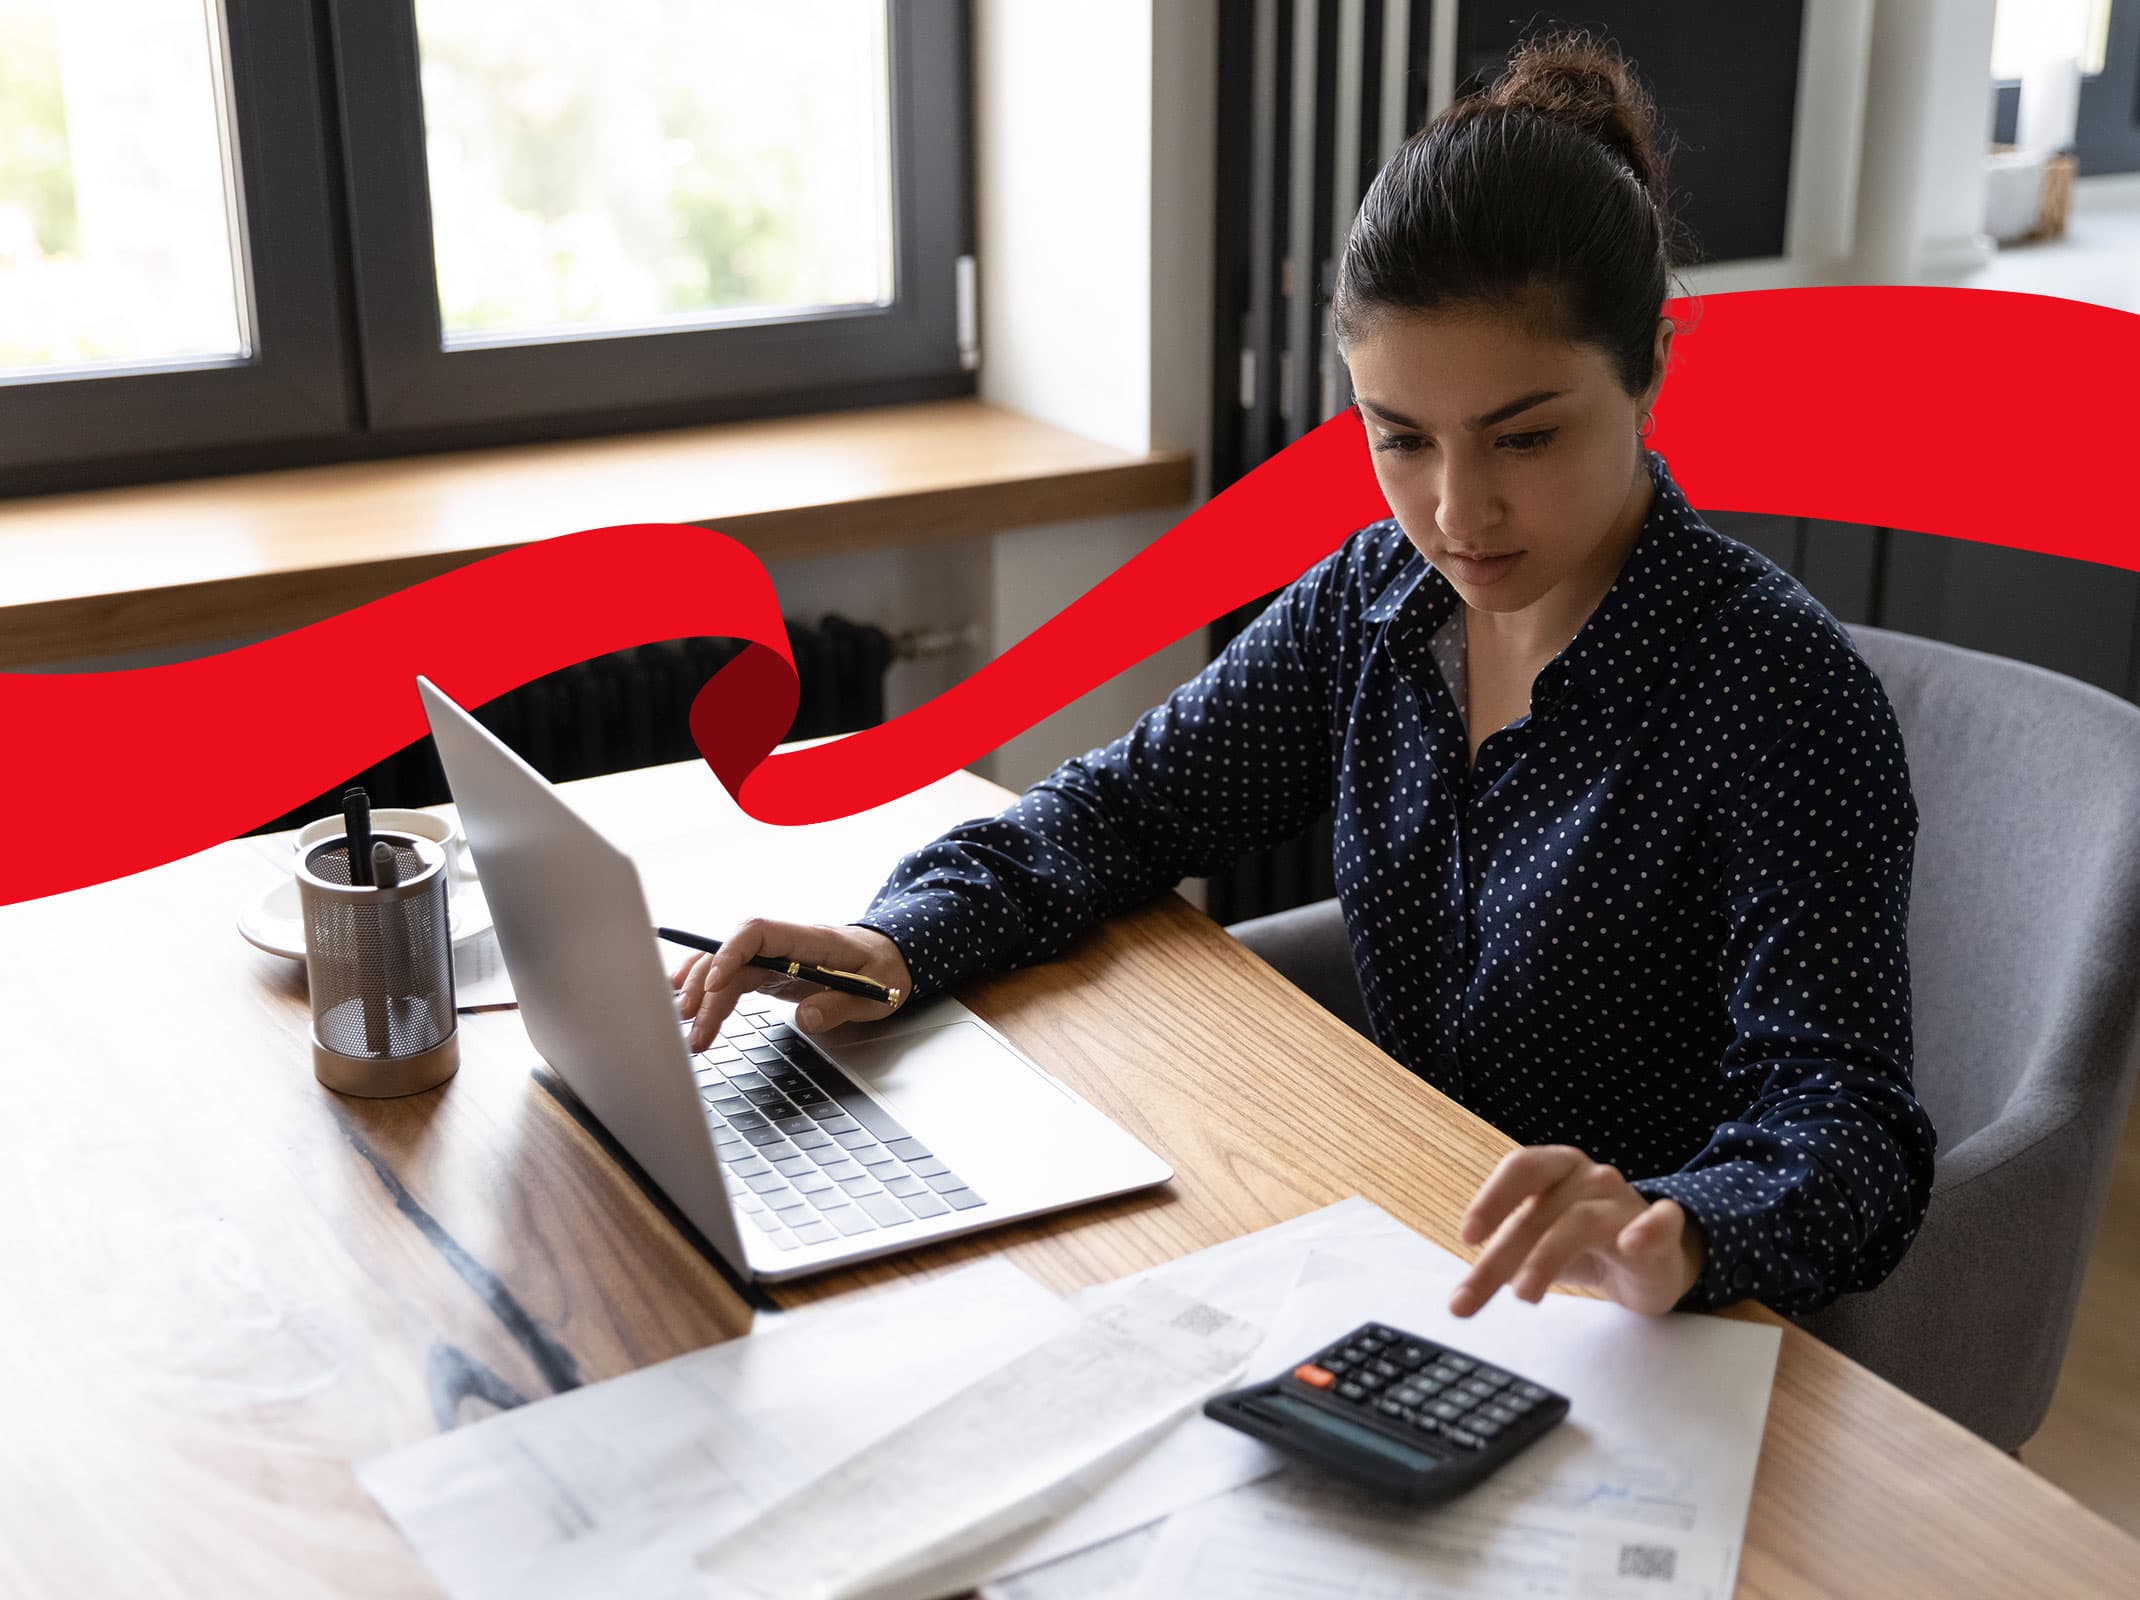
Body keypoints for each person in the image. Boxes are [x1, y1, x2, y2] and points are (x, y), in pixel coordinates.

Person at [674, 29, 1936, 1322]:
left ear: (1654, 367)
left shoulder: (1776, 694)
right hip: (1390, 1235)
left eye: (1528, 436)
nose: (1458, 512)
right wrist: (886, 943)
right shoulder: (1376, 602)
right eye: (1400, 439)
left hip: (1651, 1329)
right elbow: (1119, 811)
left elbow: (1849, 1130)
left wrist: (1677, 1229)